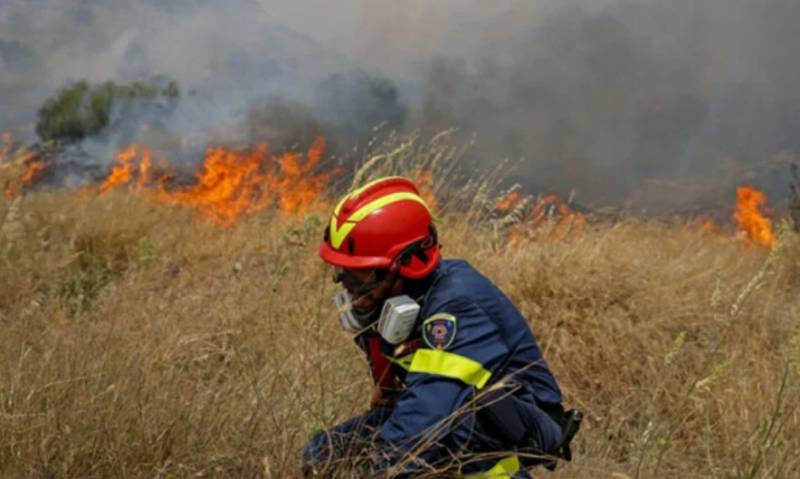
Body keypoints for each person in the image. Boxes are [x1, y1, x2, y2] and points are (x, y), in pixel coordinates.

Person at [303, 177, 580, 478]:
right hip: (449, 404)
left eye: (362, 276)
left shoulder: (456, 305)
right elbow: (395, 396)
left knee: (456, 429)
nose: (349, 288)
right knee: (324, 451)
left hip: (516, 419)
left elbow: (424, 417)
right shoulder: (394, 299)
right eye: (343, 274)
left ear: (405, 265)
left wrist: (383, 469)